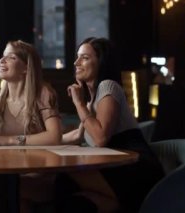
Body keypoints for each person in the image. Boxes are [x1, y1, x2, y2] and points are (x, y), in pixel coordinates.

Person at [59, 37, 164, 212]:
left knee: (66, 176)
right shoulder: (92, 100)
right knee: (69, 192)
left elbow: (100, 138)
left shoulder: (108, 86)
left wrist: (78, 104)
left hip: (135, 168)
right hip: (115, 167)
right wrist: (47, 140)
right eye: (77, 57)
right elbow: (78, 136)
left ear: (101, 62)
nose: (76, 62)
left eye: (84, 57)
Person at [0, 40, 62, 213]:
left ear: (26, 68)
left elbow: (54, 136)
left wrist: (9, 141)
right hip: (6, 173)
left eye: (11, 57)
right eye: (3, 56)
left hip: (38, 174)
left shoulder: (42, 92)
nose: (2, 61)